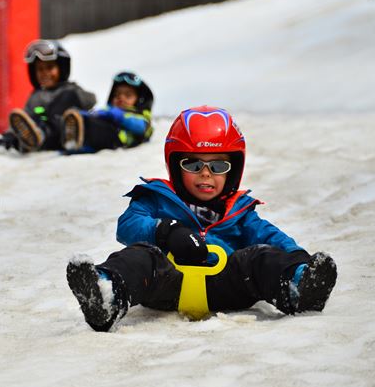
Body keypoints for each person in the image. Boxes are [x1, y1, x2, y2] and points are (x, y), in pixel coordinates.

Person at [66, 106, 337, 332]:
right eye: (193, 165)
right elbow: (128, 225)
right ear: (175, 165)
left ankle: (298, 286)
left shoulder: (240, 211)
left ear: (233, 171)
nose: (205, 173)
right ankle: (105, 294)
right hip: (166, 281)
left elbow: (270, 236)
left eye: (218, 166)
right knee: (140, 256)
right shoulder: (156, 197)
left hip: (227, 285)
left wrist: (298, 258)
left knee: (259, 257)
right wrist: (165, 231)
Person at [0, 39, 96, 153]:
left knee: (65, 101)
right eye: (40, 69)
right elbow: (26, 120)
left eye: (50, 67)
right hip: (43, 141)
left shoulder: (71, 90)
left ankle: (44, 135)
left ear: (62, 68)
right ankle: (27, 140)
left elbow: (91, 100)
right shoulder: (36, 97)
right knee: (34, 118)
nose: (45, 73)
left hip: (65, 135)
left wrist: (76, 97)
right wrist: (8, 136)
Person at [61, 71, 154, 153]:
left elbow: (141, 128)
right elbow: (95, 114)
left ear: (139, 100)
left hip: (118, 139)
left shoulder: (140, 116)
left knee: (101, 131)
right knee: (91, 123)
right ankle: (74, 137)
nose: (121, 97)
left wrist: (120, 116)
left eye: (128, 95)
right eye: (117, 94)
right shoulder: (108, 110)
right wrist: (84, 115)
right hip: (102, 140)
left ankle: (77, 137)